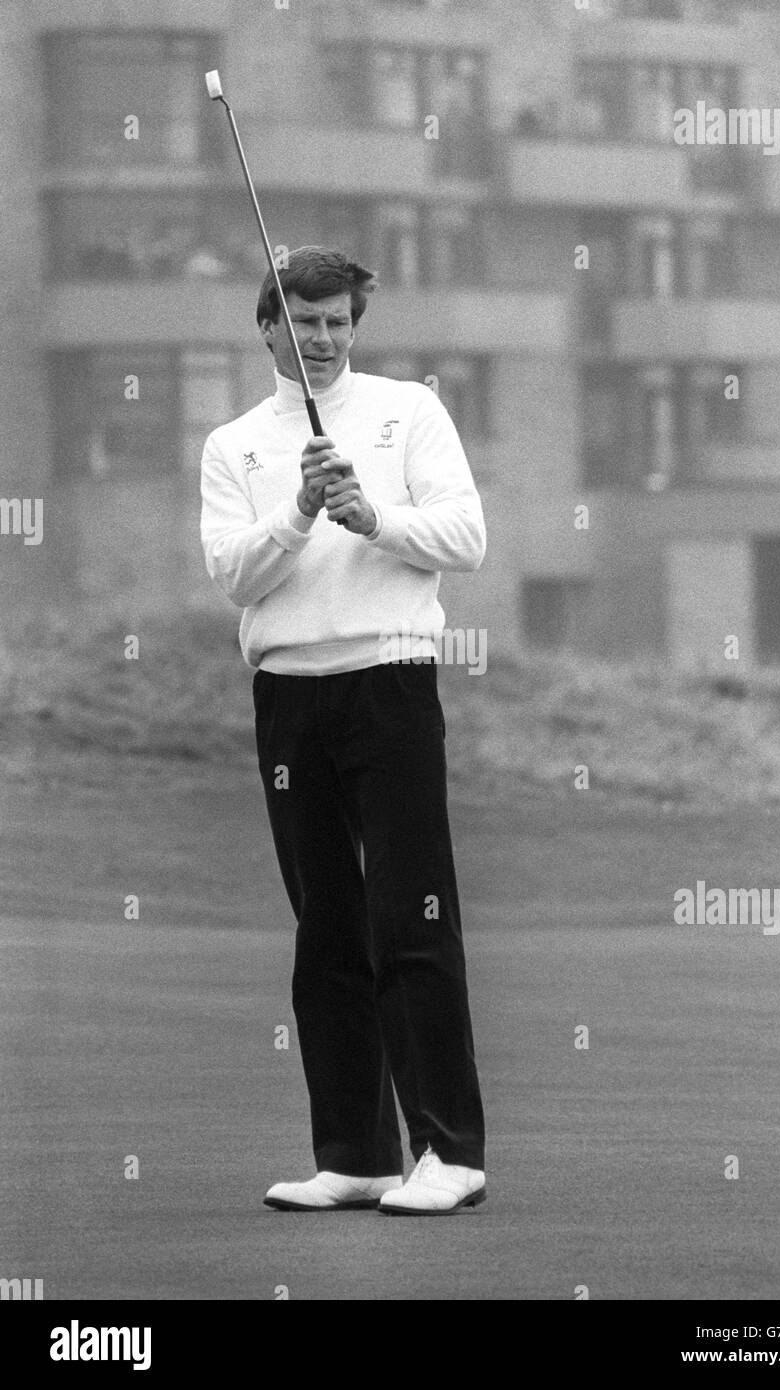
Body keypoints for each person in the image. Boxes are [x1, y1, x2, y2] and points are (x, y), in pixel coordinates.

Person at [199, 246, 487, 1215]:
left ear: (354, 326)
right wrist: (298, 512)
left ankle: (447, 1151)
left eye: (337, 322)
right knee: (325, 928)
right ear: (267, 326)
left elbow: (465, 536)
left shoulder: (408, 411)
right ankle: (356, 1151)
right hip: (288, 697)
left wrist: (369, 515)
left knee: (411, 916)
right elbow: (235, 576)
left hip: (389, 685)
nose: (322, 339)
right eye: (303, 321)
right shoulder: (233, 444)